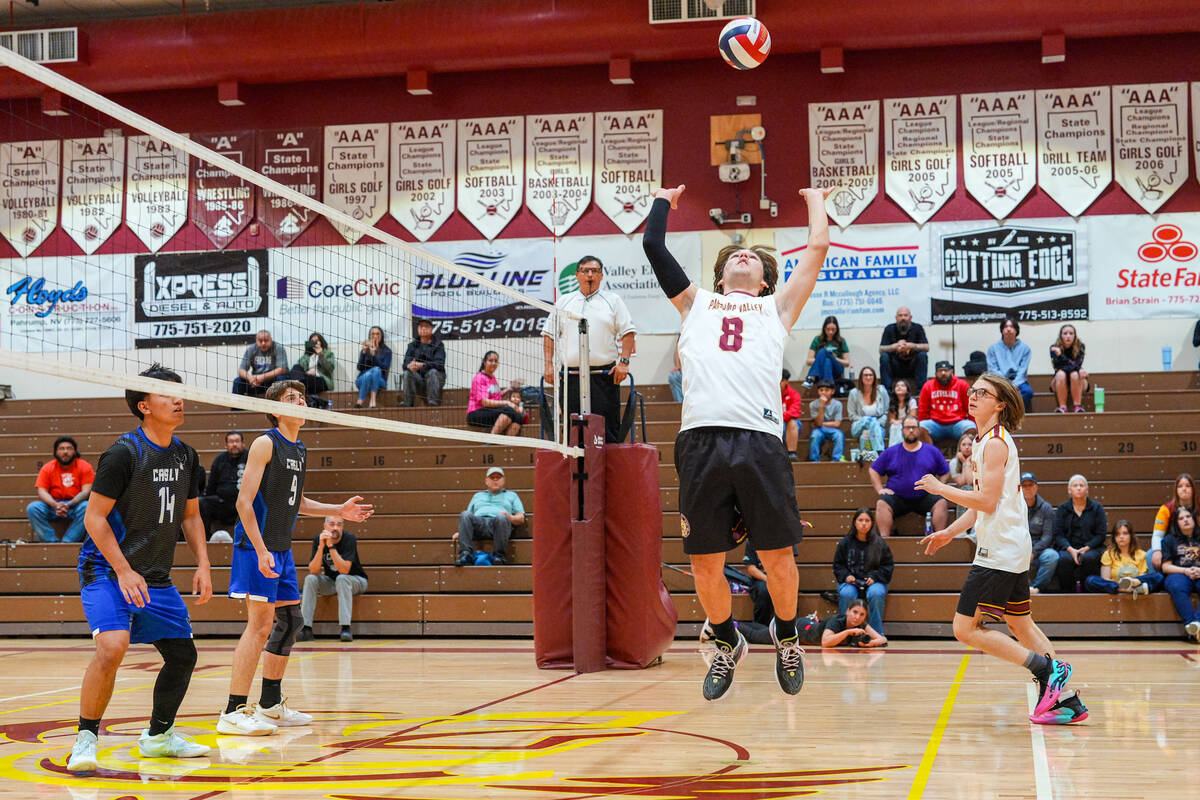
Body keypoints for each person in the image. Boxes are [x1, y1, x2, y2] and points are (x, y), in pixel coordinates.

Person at [642, 182, 830, 700]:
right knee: (705, 561)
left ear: (766, 281)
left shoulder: (778, 309)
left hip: (760, 440)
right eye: (733, 256)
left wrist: (815, 201)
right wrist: (663, 199)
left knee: (778, 560)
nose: (743, 255)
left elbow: (816, 249)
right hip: (700, 440)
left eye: (753, 257)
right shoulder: (695, 303)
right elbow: (654, 247)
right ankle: (726, 640)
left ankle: (787, 635)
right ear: (721, 276)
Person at [918, 371, 1087, 725]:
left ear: (1000, 404)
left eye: (983, 392)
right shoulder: (983, 441)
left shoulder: (994, 443)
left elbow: (987, 500)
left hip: (999, 550)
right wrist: (950, 530)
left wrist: (940, 488)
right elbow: (984, 505)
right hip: (1009, 545)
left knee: (964, 629)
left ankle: (1045, 668)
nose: (973, 396)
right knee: (1019, 621)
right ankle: (1065, 699)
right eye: (973, 390)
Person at [68, 364, 212, 772]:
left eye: (179, 392)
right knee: (112, 647)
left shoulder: (186, 455)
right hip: (108, 571)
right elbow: (94, 520)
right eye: (167, 394)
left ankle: (159, 737)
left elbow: (191, 517)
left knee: (182, 657)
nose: (178, 399)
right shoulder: (123, 453)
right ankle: (86, 738)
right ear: (145, 405)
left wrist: (203, 563)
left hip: (156, 576)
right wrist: (125, 570)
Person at [218, 380, 374, 737]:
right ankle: (232, 711)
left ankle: (270, 706)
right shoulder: (264, 443)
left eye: (302, 397)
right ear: (275, 409)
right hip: (256, 547)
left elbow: (299, 503)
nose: (301, 401)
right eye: (291, 398)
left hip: (281, 547)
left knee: (290, 620)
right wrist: (259, 550)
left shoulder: (298, 448)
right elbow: (243, 503)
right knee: (258, 627)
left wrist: (340, 510)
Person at [541, 255, 636, 443]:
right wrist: (548, 366)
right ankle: (576, 471)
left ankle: (608, 471)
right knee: (573, 434)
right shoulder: (564, 302)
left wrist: (624, 362)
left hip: (604, 377)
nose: (590, 275)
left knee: (607, 433)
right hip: (571, 378)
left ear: (601, 276)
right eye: (585, 271)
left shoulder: (613, 301)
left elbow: (628, 332)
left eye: (595, 271)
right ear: (577, 275)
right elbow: (548, 335)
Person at [869, 415, 950, 537]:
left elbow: (945, 471)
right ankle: (884, 542)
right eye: (907, 427)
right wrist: (880, 489)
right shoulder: (891, 451)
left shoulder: (932, 451)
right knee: (882, 503)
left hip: (924, 496)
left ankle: (939, 539)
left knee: (941, 503)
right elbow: (873, 470)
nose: (911, 430)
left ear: (919, 429)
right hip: (897, 497)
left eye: (913, 427)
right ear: (902, 430)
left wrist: (939, 487)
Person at [296, 516, 368, 643]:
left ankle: (345, 628)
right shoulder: (318, 539)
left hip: (356, 581)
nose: (335, 527)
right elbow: (313, 570)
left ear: (343, 527)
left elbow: (344, 570)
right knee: (310, 579)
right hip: (333, 582)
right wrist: (320, 547)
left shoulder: (349, 539)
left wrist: (331, 546)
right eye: (332, 524)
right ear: (325, 526)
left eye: (339, 524)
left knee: (342, 578)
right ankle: (306, 628)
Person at [832, 509, 893, 636]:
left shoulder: (880, 543)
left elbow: (887, 566)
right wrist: (846, 576)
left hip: (874, 582)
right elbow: (838, 565)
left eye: (867, 520)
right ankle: (845, 633)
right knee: (847, 593)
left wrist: (875, 577)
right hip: (851, 582)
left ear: (872, 523)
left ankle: (876, 634)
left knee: (876, 593)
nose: (863, 524)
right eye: (860, 520)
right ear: (855, 523)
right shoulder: (845, 543)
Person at [27, 435, 93, 543]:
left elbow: (86, 492)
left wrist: (69, 504)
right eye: (61, 449)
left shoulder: (84, 466)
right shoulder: (47, 468)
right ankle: (51, 542)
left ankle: (68, 541)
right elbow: (42, 491)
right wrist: (55, 505)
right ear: (56, 452)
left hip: (75, 505)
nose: (65, 452)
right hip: (53, 506)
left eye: (69, 448)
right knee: (33, 508)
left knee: (87, 507)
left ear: (75, 452)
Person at [455, 467, 525, 566]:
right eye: (492, 477)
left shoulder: (512, 495)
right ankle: (466, 555)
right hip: (479, 524)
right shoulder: (477, 496)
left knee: (501, 517)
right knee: (465, 514)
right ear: (486, 481)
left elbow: (521, 518)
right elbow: (467, 516)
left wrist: (509, 517)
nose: (495, 480)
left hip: (499, 524)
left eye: (498, 477)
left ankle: (499, 557)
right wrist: (461, 532)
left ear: (504, 480)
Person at [1052, 474, 1107, 592]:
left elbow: (1101, 534)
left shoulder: (1097, 508)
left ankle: (1089, 593)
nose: (1078, 488)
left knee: (1089, 558)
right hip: (1068, 548)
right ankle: (1067, 594)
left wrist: (1087, 548)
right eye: (1075, 485)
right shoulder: (1062, 509)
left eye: (1081, 485)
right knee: (1063, 560)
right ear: (1069, 490)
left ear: (1087, 490)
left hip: (1091, 548)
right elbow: (1058, 534)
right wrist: (1070, 549)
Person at [1084, 521, 1162, 597]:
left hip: (1135, 583)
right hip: (1115, 585)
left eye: (1125, 533)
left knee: (1158, 576)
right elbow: (1106, 579)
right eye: (1117, 534)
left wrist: (1132, 581)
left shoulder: (1141, 554)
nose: (1121, 537)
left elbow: (1142, 578)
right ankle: (1126, 589)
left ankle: (1128, 587)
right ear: (1114, 538)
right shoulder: (1108, 554)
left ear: (1131, 536)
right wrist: (1120, 585)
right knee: (1090, 580)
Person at [1160, 506, 1200, 641]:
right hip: (1180, 574)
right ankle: (1192, 626)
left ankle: (1196, 624)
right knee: (1176, 586)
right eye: (1181, 518)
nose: (1186, 520)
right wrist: (1185, 571)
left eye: (1188, 517)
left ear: (1194, 519)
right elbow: (1166, 567)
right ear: (1177, 523)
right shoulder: (1169, 540)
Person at [199, 431, 247, 537]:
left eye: (237, 441)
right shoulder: (219, 459)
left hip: (245, 504)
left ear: (243, 444)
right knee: (201, 503)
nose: (234, 444)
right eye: (231, 442)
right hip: (223, 503)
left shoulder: (250, 457)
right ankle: (205, 538)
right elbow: (212, 485)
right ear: (226, 445)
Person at [918, 360, 976, 444]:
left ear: (951, 371)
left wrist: (974, 424)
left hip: (957, 423)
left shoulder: (962, 384)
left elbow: (970, 407)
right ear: (936, 373)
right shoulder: (928, 385)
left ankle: (963, 455)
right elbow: (922, 410)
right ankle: (931, 454)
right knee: (920, 427)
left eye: (946, 370)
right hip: (936, 424)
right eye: (940, 370)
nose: (943, 373)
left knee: (970, 427)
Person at [466, 351, 523, 436]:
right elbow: (485, 402)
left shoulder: (492, 377)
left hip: (490, 411)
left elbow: (495, 396)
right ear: (484, 362)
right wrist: (507, 402)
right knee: (508, 410)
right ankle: (491, 440)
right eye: (490, 360)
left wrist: (508, 389)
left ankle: (506, 445)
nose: (494, 363)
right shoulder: (479, 378)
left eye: (496, 361)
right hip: (476, 414)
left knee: (518, 417)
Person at [1021, 473, 1058, 595]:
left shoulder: (1046, 508)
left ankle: (1036, 588)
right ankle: (1018, 590)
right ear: (1019, 488)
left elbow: (1047, 537)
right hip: (1019, 547)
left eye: (1030, 485)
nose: (1027, 488)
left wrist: (1033, 553)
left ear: (1036, 487)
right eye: (1024, 485)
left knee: (1052, 556)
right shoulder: (1014, 507)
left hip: (1039, 549)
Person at [1150, 473, 1195, 572]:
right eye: (1180, 486)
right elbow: (1157, 535)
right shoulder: (1165, 509)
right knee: (1151, 554)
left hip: (1195, 543)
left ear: (1193, 489)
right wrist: (1157, 551)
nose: (1184, 489)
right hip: (1173, 546)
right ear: (1176, 490)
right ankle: (1157, 582)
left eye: (1188, 486)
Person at [987, 317, 1034, 412]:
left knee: (1028, 392)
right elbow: (993, 370)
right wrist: (1006, 384)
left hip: (1018, 381)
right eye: (1006, 326)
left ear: (1016, 330)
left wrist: (1014, 384)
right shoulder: (993, 348)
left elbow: (1022, 370)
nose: (1008, 329)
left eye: (1012, 326)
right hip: (999, 381)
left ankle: (1016, 414)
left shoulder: (1025, 349)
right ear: (1002, 330)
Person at [795, 600, 887, 648]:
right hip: (803, 628)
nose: (857, 617)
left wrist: (870, 643)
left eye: (862, 614)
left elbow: (882, 639)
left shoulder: (861, 624)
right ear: (847, 611)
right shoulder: (837, 620)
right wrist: (848, 632)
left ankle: (814, 619)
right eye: (855, 612)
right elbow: (825, 642)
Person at [878, 306, 929, 392]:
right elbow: (881, 349)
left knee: (922, 355)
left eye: (905, 315)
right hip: (895, 366)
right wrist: (894, 346)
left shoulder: (918, 328)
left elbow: (926, 347)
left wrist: (912, 345)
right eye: (900, 315)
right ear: (896, 318)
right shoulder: (889, 329)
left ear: (910, 317)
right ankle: (887, 392)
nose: (903, 318)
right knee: (884, 357)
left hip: (912, 366)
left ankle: (921, 391)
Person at [400, 318, 446, 407]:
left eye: (426, 327)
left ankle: (433, 403)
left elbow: (440, 364)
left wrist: (423, 365)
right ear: (418, 329)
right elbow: (405, 364)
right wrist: (410, 366)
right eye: (421, 327)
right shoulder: (412, 345)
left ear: (431, 329)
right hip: (419, 380)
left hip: (436, 379)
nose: (424, 329)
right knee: (407, 373)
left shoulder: (438, 344)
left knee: (432, 372)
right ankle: (408, 403)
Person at [285, 332, 335, 408]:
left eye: (317, 340)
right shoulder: (306, 356)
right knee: (296, 368)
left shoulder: (328, 354)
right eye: (312, 341)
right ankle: (311, 399)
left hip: (322, 380)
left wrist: (321, 354)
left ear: (321, 342)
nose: (315, 342)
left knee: (300, 382)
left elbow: (330, 369)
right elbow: (298, 369)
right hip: (306, 379)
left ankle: (306, 398)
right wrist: (307, 372)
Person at [233, 330, 288, 397]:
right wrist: (250, 378)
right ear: (256, 340)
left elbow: (282, 369)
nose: (263, 343)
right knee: (237, 381)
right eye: (260, 341)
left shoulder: (278, 348)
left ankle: (282, 406)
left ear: (271, 340)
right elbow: (241, 370)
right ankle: (236, 407)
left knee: (282, 379)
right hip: (255, 382)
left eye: (266, 340)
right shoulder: (251, 349)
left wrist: (263, 377)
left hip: (271, 381)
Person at [847, 366, 887, 455]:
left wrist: (874, 424)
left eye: (870, 375)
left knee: (864, 437)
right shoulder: (853, 393)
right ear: (861, 377)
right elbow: (852, 415)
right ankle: (880, 453)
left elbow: (886, 412)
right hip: (859, 425)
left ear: (874, 377)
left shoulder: (881, 391)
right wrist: (868, 421)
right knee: (870, 421)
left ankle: (865, 459)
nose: (868, 377)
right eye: (865, 375)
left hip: (878, 426)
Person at [802, 315, 849, 389]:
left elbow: (847, 363)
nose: (830, 332)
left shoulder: (841, 341)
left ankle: (811, 378)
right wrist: (823, 358)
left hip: (837, 370)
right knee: (827, 361)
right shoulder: (817, 339)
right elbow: (808, 361)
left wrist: (834, 358)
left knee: (824, 352)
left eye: (833, 329)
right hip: (822, 371)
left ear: (837, 329)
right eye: (828, 329)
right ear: (824, 328)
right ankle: (829, 388)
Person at [1049, 323, 1088, 413]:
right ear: (1061, 335)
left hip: (1077, 380)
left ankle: (1077, 407)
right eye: (1065, 333)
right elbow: (1059, 367)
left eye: (1071, 333)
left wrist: (1061, 356)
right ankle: (1062, 407)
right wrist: (1079, 369)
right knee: (1061, 373)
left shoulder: (1080, 347)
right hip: (1060, 380)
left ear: (1075, 335)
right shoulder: (1054, 348)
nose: (1068, 336)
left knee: (1074, 374)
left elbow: (1076, 365)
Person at [354, 326, 391, 409]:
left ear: (381, 336)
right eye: (373, 334)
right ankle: (372, 401)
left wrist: (374, 355)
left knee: (376, 370)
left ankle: (360, 402)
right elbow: (359, 367)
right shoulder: (365, 349)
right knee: (368, 375)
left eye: (377, 334)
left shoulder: (387, 351)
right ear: (369, 336)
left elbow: (385, 368)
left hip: (380, 381)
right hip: (362, 379)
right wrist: (363, 352)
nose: (375, 336)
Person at [809, 380, 844, 462]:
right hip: (819, 430)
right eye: (821, 390)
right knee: (815, 435)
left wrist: (822, 424)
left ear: (832, 391)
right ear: (818, 391)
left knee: (839, 435)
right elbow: (818, 423)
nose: (823, 393)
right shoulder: (813, 404)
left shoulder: (838, 404)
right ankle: (815, 461)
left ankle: (836, 460)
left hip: (833, 430)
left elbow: (837, 423)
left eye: (827, 390)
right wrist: (821, 406)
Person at [886, 378, 917, 447]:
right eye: (897, 386)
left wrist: (899, 422)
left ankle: (898, 449)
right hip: (896, 426)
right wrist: (896, 422)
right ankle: (894, 449)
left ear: (907, 390)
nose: (899, 387)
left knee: (899, 427)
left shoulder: (912, 401)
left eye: (902, 385)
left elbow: (913, 417)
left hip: (910, 424)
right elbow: (891, 419)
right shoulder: (893, 402)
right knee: (894, 427)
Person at [780, 369, 803, 461]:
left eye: (780, 381)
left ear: (786, 381)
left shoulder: (794, 394)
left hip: (788, 424)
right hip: (775, 423)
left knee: (793, 421)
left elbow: (795, 412)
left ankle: (791, 453)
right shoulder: (769, 394)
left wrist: (780, 418)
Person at [668, 337, 684, 402]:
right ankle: (680, 406)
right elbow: (677, 348)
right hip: (684, 370)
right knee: (673, 376)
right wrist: (678, 365)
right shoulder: (684, 329)